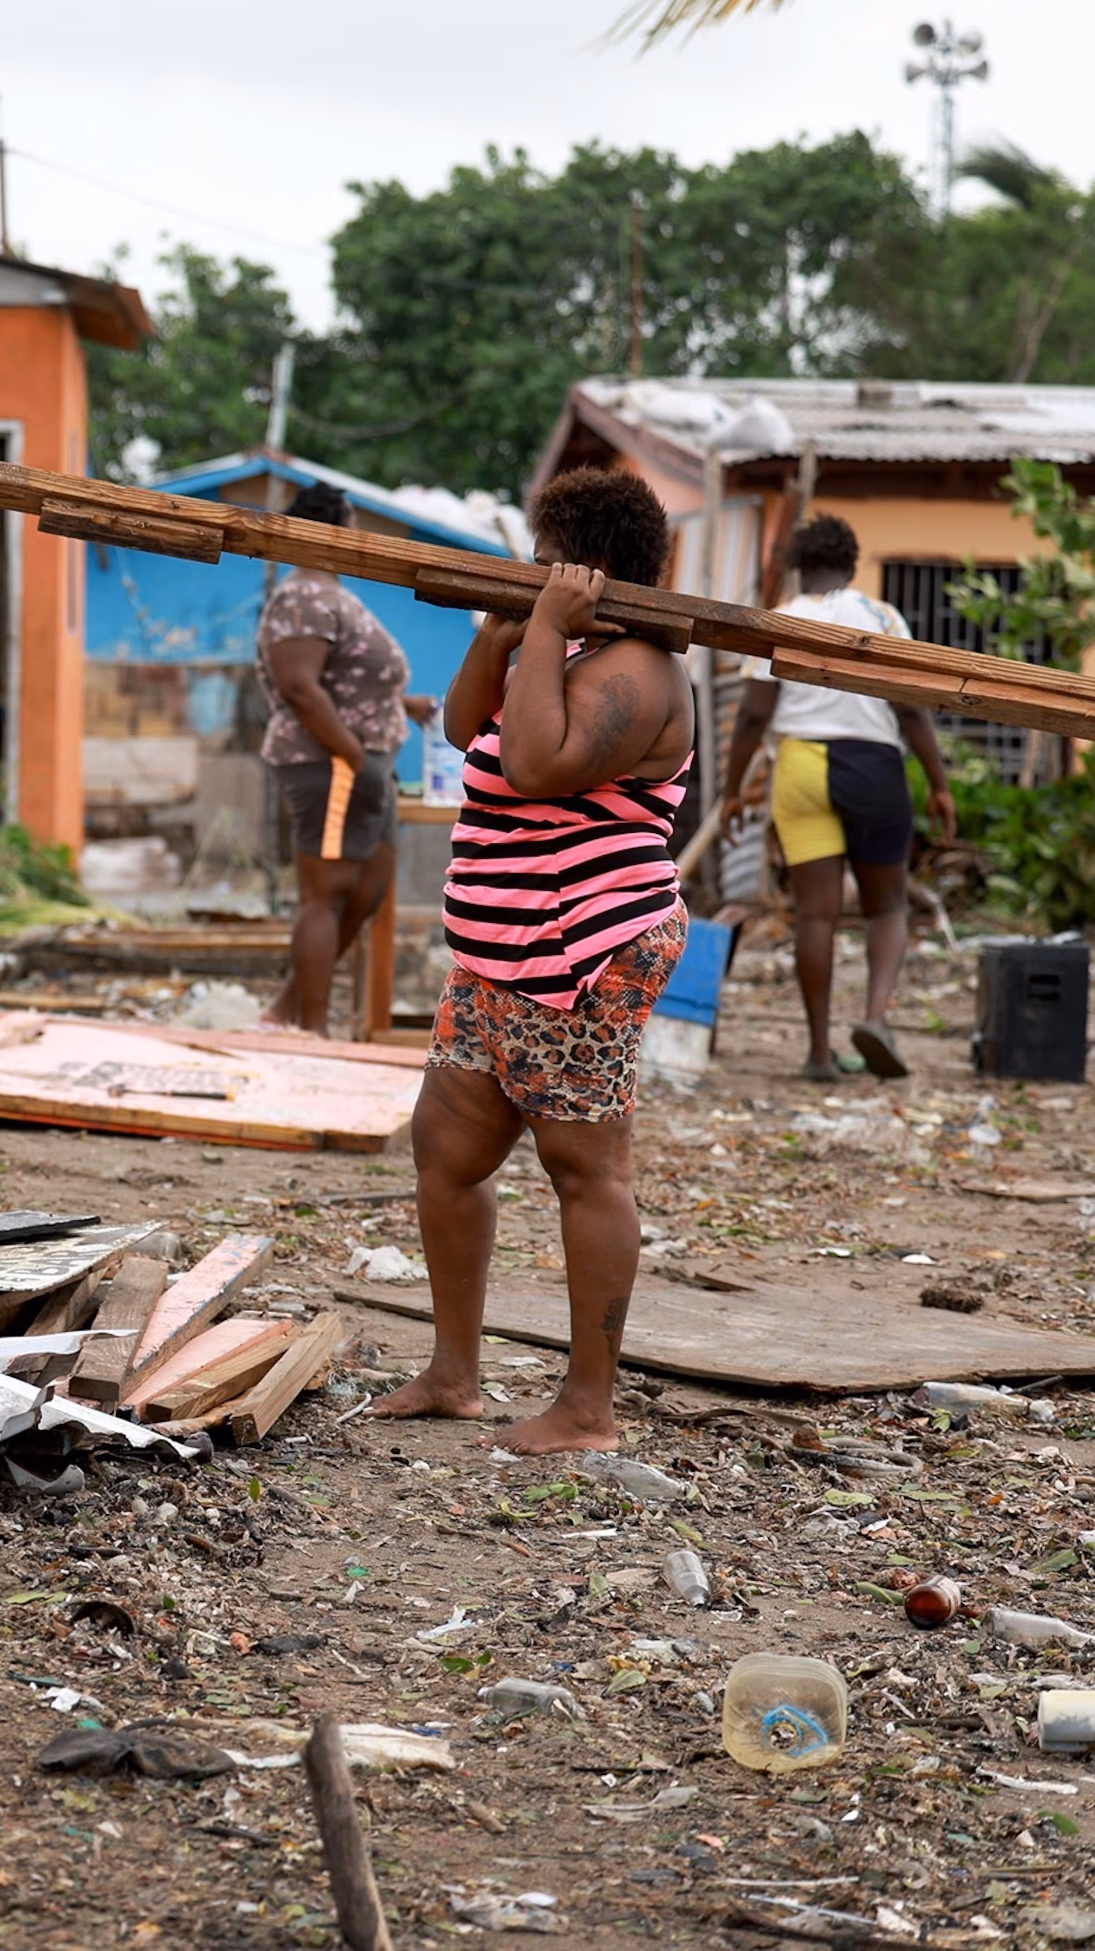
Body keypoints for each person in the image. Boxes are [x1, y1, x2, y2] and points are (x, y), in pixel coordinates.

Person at [370, 467, 693, 1455]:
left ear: (588, 568)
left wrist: (547, 631)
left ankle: (588, 1407)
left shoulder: (638, 669)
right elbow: (470, 729)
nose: (531, 568)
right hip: (498, 953)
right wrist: (502, 632)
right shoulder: (564, 648)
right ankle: (454, 1373)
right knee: (448, 1152)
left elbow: (539, 764)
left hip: (588, 951)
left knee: (583, 1166)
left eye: (547, 555)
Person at [714, 514, 955, 1081]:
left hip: (800, 764)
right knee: (887, 905)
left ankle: (820, 1053)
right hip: (874, 763)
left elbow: (752, 713)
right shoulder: (881, 617)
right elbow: (911, 707)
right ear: (851, 566)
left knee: (816, 915)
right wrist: (939, 784)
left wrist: (731, 791)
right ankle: (874, 1017)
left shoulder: (780, 619)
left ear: (799, 569)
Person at [255, 482, 436, 1031]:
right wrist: (353, 754)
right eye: (351, 525)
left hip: (364, 761)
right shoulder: (303, 596)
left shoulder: (329, 594)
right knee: (327, 894)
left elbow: (347, 679)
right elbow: (300, 688)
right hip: (330, 762)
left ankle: (288, 1010)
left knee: (369, 887)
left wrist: (402, 704)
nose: (357, 538)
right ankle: (311, 1030)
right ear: (330, 529)